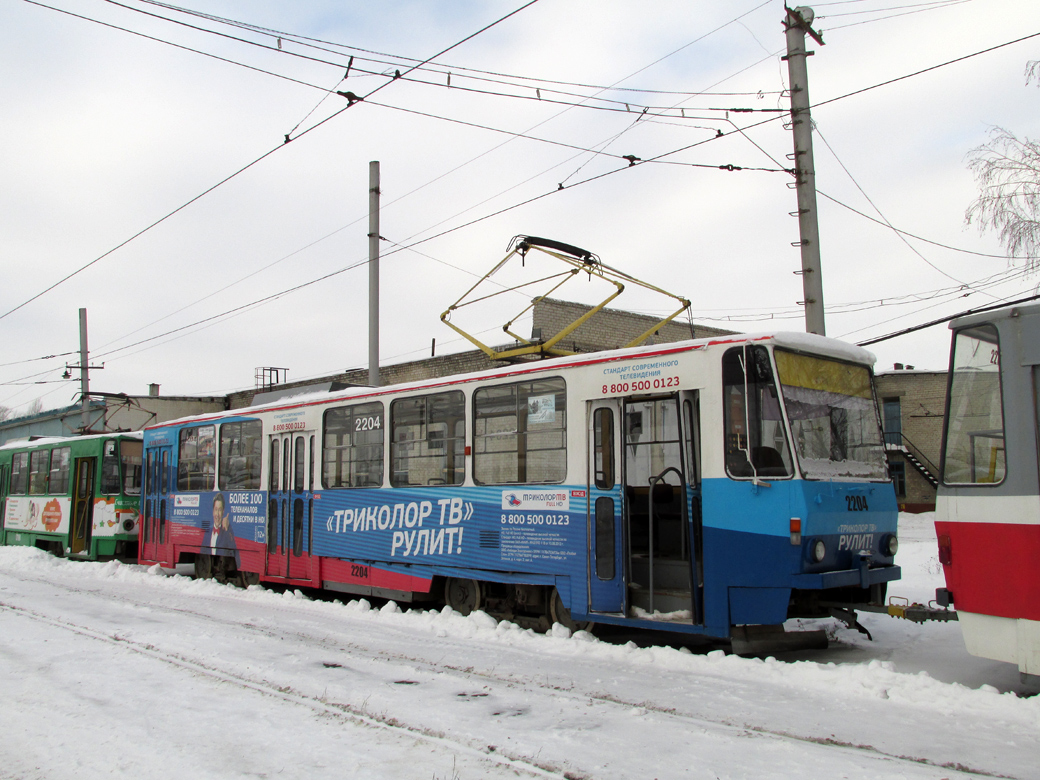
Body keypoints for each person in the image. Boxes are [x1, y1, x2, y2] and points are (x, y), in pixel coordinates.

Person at [208, 492, 240, 568]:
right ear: (213, 511)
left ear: (223, 512)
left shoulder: (227, 530)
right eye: (216, 510)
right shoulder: (207, 533)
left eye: (220, 510)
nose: (217, 515)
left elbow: (236, 555)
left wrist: (227, 529)